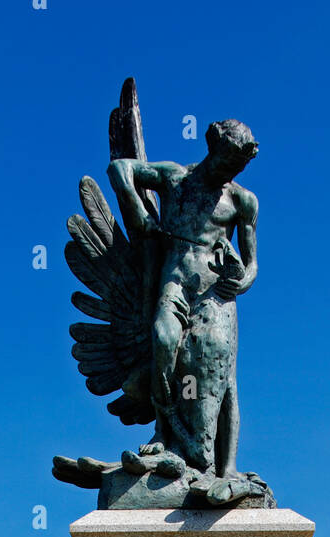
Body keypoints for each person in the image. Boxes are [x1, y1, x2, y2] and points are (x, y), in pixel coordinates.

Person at [108, 118, 259, 477]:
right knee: (163, 341)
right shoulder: (176, 179)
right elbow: (119, 169)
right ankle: (164, 428)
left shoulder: (242, 201)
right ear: (213, 149)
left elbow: (253, 265)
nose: (231, 172)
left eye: (238, 167)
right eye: (227, 162)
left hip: (215, 295)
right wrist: (137, 207)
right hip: (176, 284)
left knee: (224, 380)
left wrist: (240, 281)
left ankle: (226, 468)